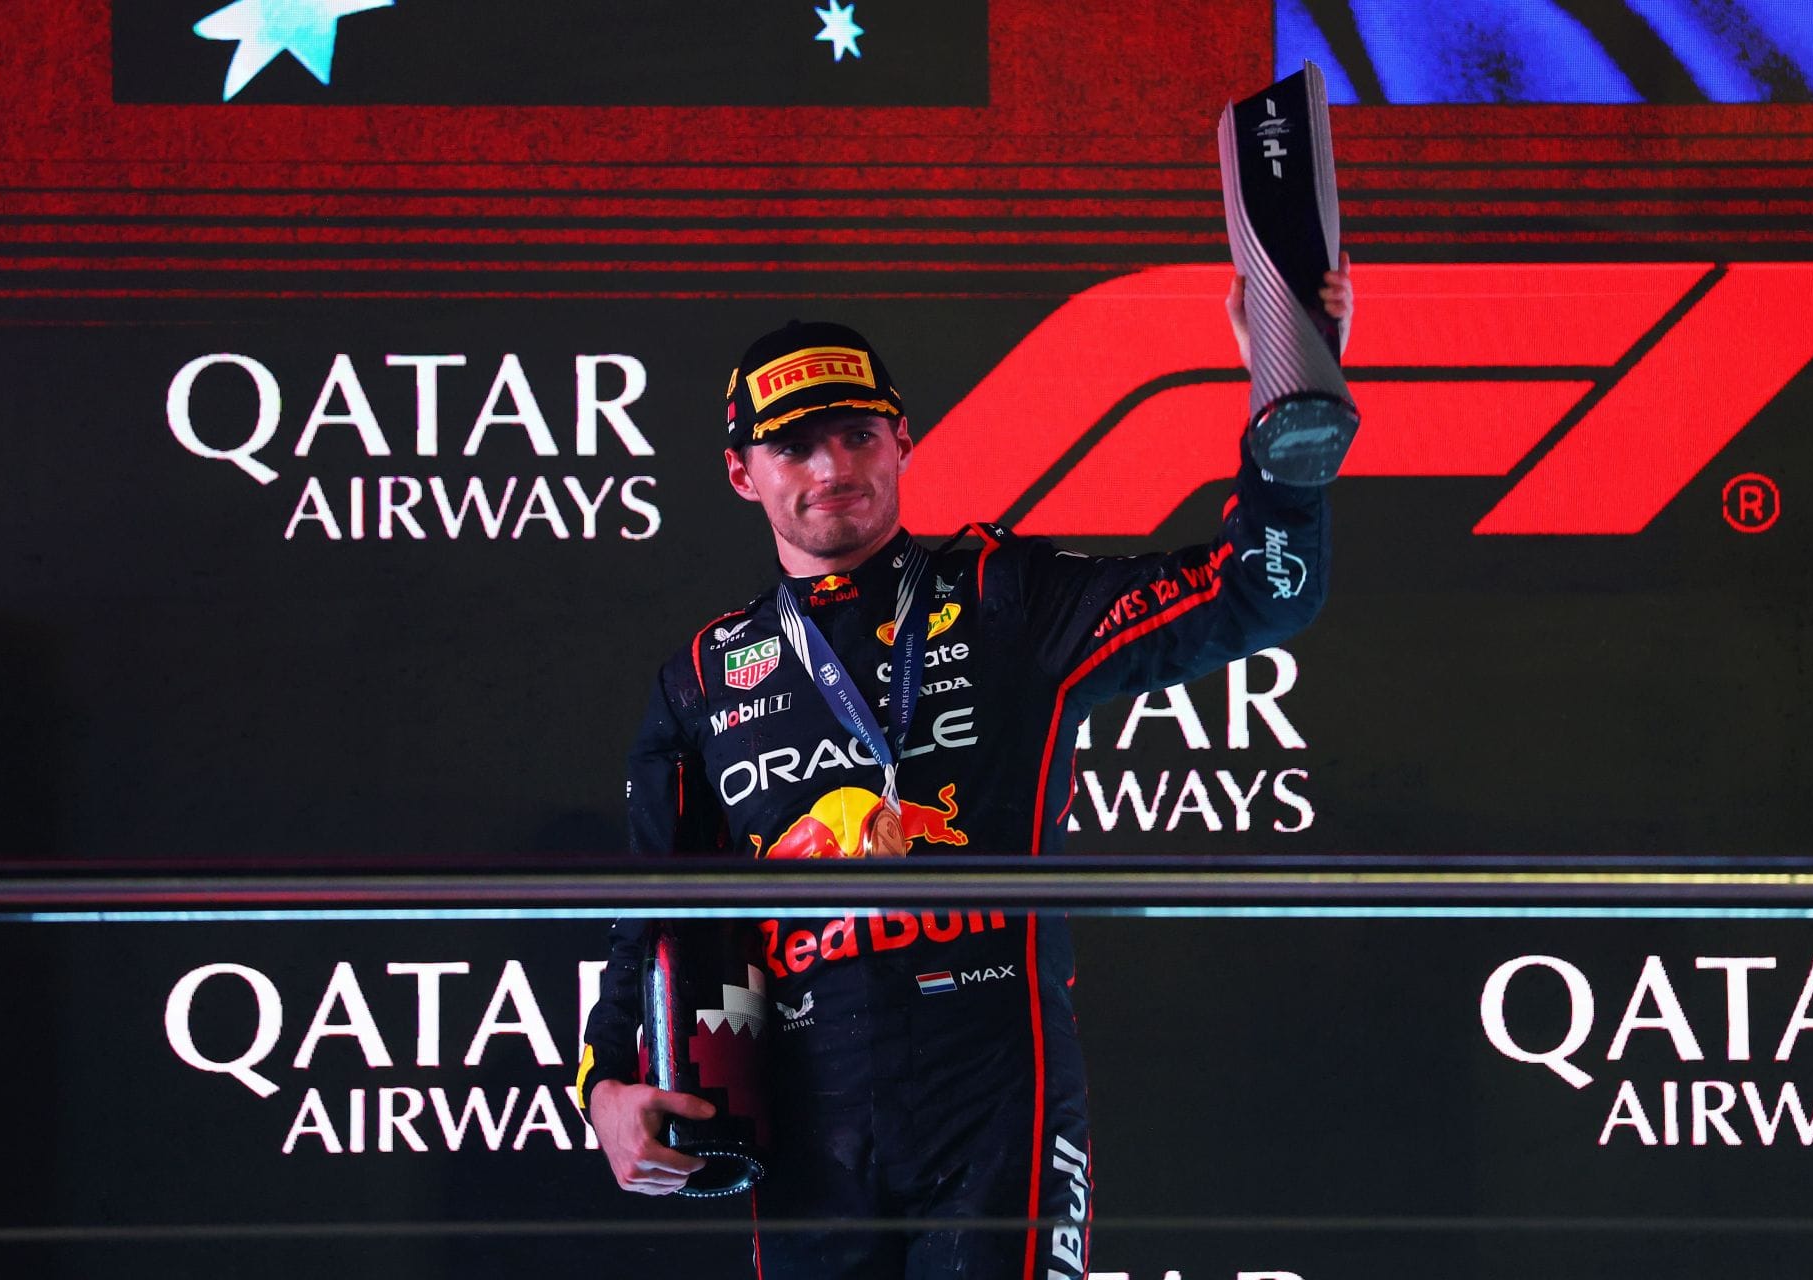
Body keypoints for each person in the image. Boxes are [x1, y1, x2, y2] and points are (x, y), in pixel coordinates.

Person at [578, 261, 1354, 1278]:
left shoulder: (1002, 593)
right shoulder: (702, 672)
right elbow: (652, 909)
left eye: (856, 433)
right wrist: (606, 1081)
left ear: (903, 438)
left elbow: (1262, 595)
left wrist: (1286, 402)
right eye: (794, 445)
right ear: (742, 472)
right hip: (805, 1109)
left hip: (992, 1078)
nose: (830, 466)